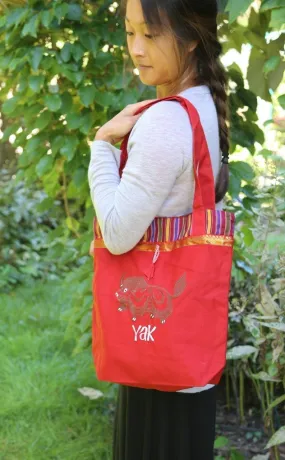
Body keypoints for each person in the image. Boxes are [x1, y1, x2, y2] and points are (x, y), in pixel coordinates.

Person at [88, 0, 230, 458]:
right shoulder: (204, 102)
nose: (136, 48)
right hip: (182, 358)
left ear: (190, 36)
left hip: (153, 359)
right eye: (130, 33)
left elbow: (117, 233)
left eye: (150, 34)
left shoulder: (166, 120)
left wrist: (102, 146)